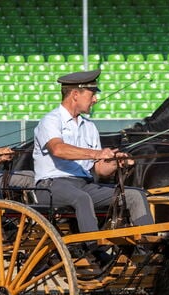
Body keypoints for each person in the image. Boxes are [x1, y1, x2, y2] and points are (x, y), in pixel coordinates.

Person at [32, 69, 153, 236]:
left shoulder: (89, 126)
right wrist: (96, 154)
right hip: (52, 187)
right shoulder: (51, 120)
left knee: (135, 195)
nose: (95, 99)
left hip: (84, 185)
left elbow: (99, 170)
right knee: (81, 198)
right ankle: (94, 248)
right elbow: (58, 149)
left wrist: (116, 162)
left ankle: (149, 246)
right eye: (92, 94)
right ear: (75, 94)